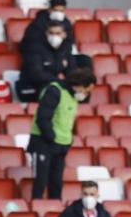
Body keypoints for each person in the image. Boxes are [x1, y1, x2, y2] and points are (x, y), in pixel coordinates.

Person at [28, 67, 97, 200]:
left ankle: (54, 210)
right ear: (79, 84)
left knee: (56, 183)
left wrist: (67, 142)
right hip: (44, 143)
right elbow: (43, 118)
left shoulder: (73, 97)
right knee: (40, 181)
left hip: (61, 146)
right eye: (86, 90)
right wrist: (51, 138)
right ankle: (36, 209)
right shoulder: (54, 90)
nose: (86, 95)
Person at [16, 21, 74, 103]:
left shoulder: (65, 50)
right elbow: (36, 74)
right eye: (51, 33)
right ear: (46, 33)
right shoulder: (35, 49)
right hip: (30, 88)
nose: (54, 36)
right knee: (54, 93)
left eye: (58, 33)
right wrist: (60, 82)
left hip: (50, 86)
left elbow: (72, 70)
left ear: (64, 34)